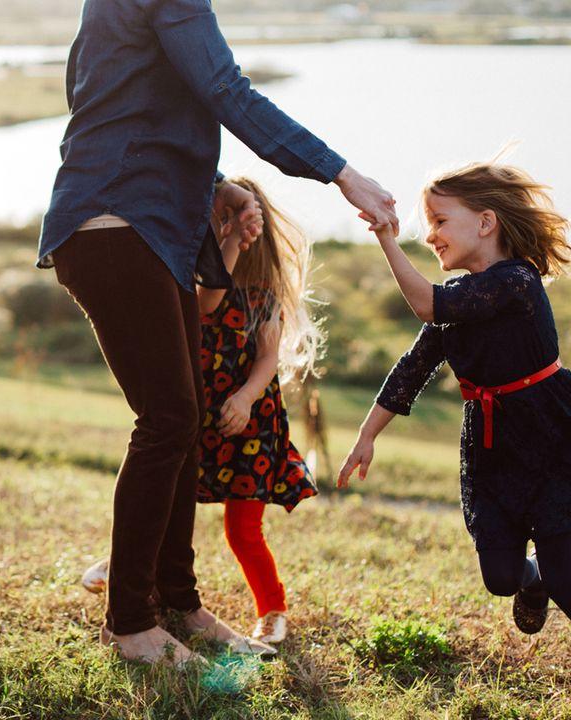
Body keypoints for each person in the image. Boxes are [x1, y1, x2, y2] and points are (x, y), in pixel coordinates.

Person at [38, 0, 398, 667]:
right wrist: (342, 173)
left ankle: (178, 599)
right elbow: (226, 91)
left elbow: (129, 109)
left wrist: (214, 185)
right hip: (117, 226)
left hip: (146, 230)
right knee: (169, 417)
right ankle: (131, 621)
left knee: (186, 415)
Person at [337, 162, 571, 714]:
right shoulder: (458, 298)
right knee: (501, 579)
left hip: (550, 439)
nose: (429, 234)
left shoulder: (515, 281)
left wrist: (386, 240)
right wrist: (367, 435)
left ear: (485, 222)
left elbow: (427, 304)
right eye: (424, 224)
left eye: (438, 220)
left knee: (563, 574)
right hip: (491, 448)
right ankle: (528, 581)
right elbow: (413, 367)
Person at [81, 178, 322, 651]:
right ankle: (125, 568)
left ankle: (271, 608)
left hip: (249, 421)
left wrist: (246, 398)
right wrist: (228, 242)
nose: (228, 229)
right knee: (165, 501)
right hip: (199, 418)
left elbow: (268, 360)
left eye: (240, 223)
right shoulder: (190, 286)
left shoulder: (265, 296)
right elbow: (209, 299)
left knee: (243, 530)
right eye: (219, 223)